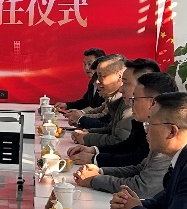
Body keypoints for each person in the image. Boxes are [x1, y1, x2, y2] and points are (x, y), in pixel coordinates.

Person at [72, 71, 178, 199]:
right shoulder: (157, 126)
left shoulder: (167, 136)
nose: (121, 89)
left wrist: (95, 179)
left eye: (135, 99)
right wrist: (100, 171)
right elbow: (140, 168)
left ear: (153, 103)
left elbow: (143, 187)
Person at [67, 58, 160, 168]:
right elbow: (127, 144)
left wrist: (95, 159)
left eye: (125, 83)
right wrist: (94, 150)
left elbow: (135, 161)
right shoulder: (135, 110)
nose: (121, 89)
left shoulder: (159, 124)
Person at [64, 53, 131, 146]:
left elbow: (120, 140)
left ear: (119, 77)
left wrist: (86, 136)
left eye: (101, 76)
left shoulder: (128, 102)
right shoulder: (115, 99)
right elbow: (110, 128)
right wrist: (88, 132)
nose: (97, 81)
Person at [55, 47, 105, 112]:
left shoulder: (107, 84)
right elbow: (85, 102)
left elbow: (103, 111)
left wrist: (82, 114)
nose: (86, 68)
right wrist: (66, 105)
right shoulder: (92, 82)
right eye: (84, 64)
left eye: (90, 64)